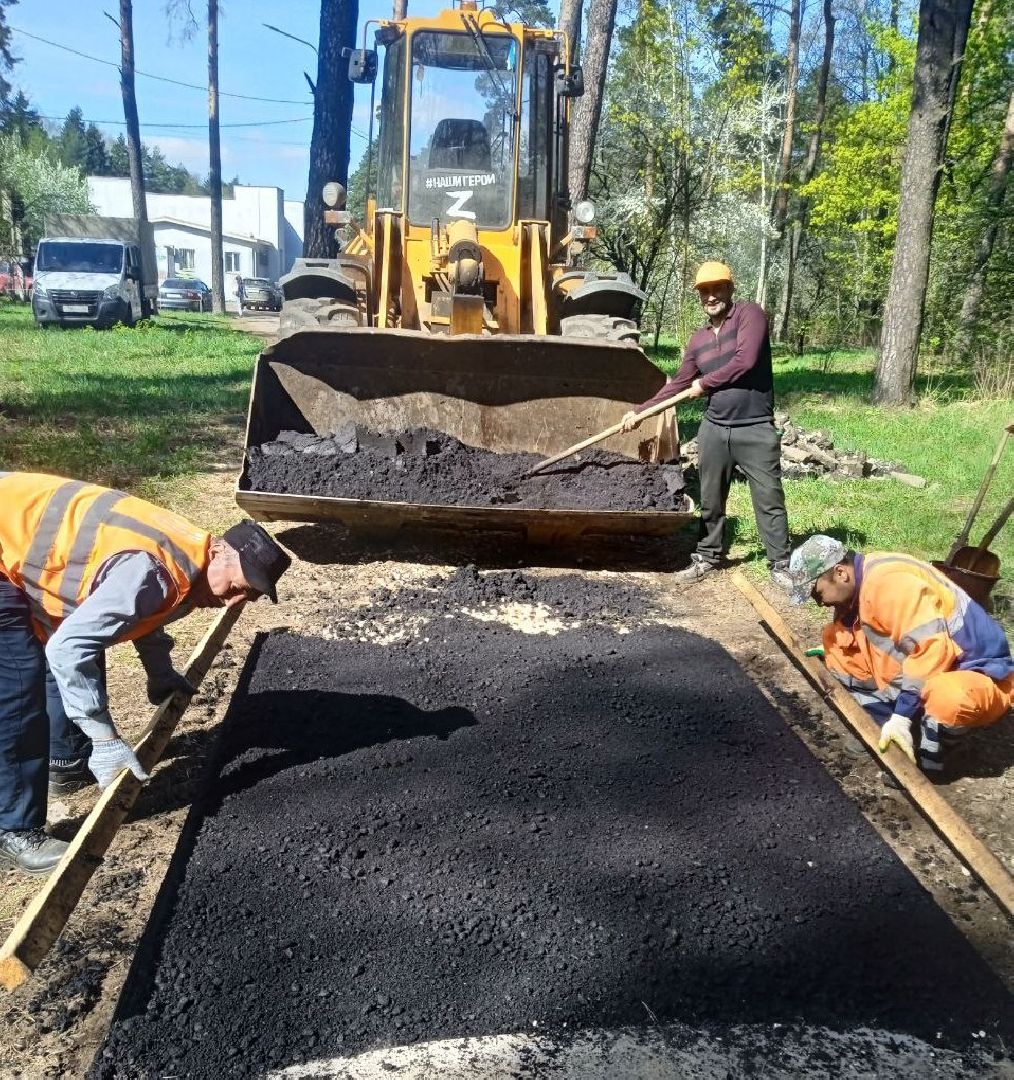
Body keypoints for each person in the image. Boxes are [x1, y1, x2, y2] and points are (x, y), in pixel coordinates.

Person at [0, 472, 291, 875]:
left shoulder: (194, 556)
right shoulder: (155, 570)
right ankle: (15, 830)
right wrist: (105, 741)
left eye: (250, 596)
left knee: (80, 637)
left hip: (19, 533)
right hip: (7, 532)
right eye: (239, 586)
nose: (235, 601)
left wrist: (160, 672)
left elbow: (139, 615)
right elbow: (71, 648)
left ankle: (66, 763)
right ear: (223, 552)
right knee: (19, 684)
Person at [622, 261, 791, 589]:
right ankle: (707, 557)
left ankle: (780, 564)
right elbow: (679, 384)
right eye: (704, 291)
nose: (711, 296)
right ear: (699, 297)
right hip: (714, 428)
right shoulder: (698, 339)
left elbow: (746, 361)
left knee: (768, 497)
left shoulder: (749, 315)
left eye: (717, 288)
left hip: (754, 427)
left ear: (730, 288)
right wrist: (640, 412)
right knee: (711, 498)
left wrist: (705, 384)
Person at [788, 534, 1013, 776]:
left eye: (816, 593)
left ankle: (930, 762)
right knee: (837, 644)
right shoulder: (863, 581)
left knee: (947, 697)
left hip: (977, 672)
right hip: (935, 663)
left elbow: (932, 651)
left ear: (841, 573)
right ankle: (884, 724)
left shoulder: (890, 585)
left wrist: (903, 717)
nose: (819, 603)